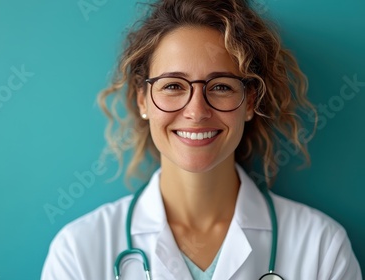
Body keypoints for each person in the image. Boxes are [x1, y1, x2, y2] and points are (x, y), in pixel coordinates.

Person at [41, 0, 362, 279]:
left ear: (250, 102)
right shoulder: (79, 250)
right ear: (142, 100)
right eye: (173, 86)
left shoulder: (320, 246)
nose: (196, 111)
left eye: (221, 86)